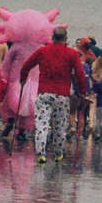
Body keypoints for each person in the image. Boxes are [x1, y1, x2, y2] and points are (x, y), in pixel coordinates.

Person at [29, 26, 86, 162]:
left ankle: (41, 153)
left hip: (44, 93)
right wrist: (82, 91)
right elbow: (79, 73)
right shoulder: (72, 54)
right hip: (62, 95)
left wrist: (23, 77)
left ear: (52, 38)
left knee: (42, 124)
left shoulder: (42, 51)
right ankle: (58, 153)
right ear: (65, 39)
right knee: (60, 125)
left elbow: (27, 64)